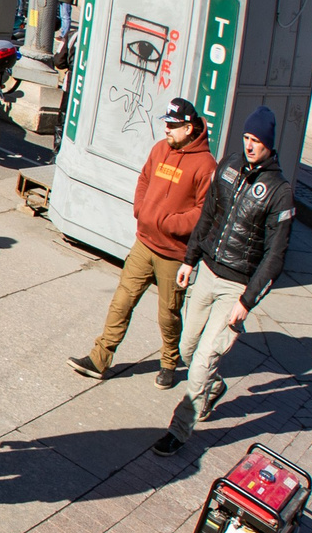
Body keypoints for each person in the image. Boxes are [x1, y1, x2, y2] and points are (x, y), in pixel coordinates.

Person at [156, 107, 295, 456]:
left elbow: (275, 256)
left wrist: (246, 302)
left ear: (269, 144)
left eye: (257, 141)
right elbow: (208, 216)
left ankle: (179, 428)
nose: (250, 146)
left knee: (201, 362)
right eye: (247, 138)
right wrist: (190, 259)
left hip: (236, 287)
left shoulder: (280, 191)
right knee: (187, 349)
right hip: (207, 272)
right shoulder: (230, 165)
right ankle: (212, 387)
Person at [72, 98, 216, 386]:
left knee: (168, 314)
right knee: (121, 302)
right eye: (166, 123)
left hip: (173, 253)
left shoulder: (206, 165)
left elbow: (204, 213)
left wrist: (168, 224)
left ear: (188, 128)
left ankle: (169, 363)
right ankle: (99, 358)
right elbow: (144, 179)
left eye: (172, 126)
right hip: (144, 243)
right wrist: (141, 209)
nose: (166, 129)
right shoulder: (160, 149)